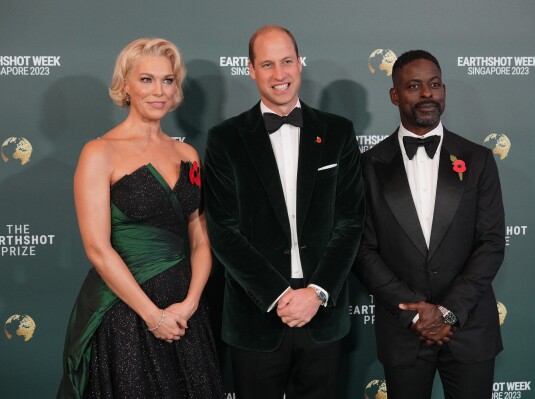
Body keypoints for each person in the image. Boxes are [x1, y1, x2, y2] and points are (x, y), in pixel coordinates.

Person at [203, 25, 364, 399]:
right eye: (268, 64)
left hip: (321, 314)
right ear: (251, 69)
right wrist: (279, 295)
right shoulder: (225, 139)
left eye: (287, 61)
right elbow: (223, 230)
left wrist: (317, 292)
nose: (280, 75)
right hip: (256, 317)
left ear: (300, 63)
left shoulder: (338, 132)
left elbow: (350, 221)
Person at [57, 38, 224, 398]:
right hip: (127, 312)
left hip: (184, 312)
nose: (158, 91)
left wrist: (190, 303)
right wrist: (153, 316)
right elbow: (97, 249)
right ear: (126, 85)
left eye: (167, 80)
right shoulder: (100, 152)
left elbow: (201, 239)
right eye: (146, 79)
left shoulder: (187, 153)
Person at [353, 50, 505, 399]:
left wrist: (447, 312)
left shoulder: (478, 160)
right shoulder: (368, 166)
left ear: (444, 91)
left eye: (434, 85)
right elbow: (362, 250)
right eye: (414, 86)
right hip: (403, 330)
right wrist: (417, 314)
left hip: (469, 328)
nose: (427, 94)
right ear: (395, 95)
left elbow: (492, 243)